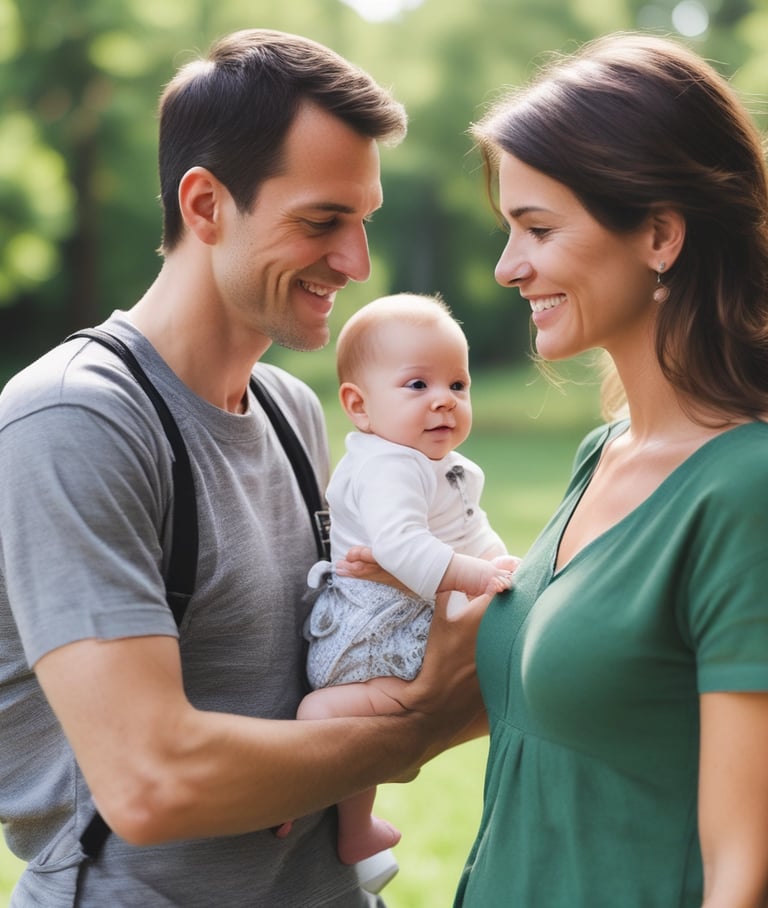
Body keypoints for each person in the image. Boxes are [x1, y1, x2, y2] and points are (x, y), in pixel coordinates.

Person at [0, 29, 491, 908]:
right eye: (321, 221)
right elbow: (154, 784)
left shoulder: (291, 409)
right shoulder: (76, 419)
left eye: (363, 220)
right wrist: (424, 721)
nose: (356, 263)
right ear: (204, 205)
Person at [450, 31, 768, 907]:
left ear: (661, 233)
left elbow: (744, 871)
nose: (508, 267)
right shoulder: (603, 456)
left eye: (538, 229)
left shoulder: (745, 490)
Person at [289, 293, 516, 872]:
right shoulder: (388, 465)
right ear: (359, 407)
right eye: (417, 385)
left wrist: (501, 561)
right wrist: (482, 577)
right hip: (374, 634)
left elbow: (472, 529)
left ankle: (352, 826)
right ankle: (344, 818)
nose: (443, 400)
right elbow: (401, 548)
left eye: (457, 386)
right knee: (338, 716)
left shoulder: (438, 465)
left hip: (409, 618)